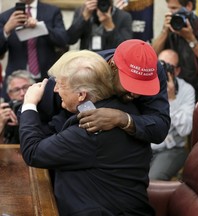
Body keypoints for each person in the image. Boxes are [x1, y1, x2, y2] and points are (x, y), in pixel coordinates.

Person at [19, 50, 155, 216]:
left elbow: (33, 152)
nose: (55, 90)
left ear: (81, 94)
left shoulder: (91, 129)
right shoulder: (123, 108)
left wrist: (29, 104)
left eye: (61, 84)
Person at [37, 39, 171, 145]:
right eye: (130, 85)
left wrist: (122, 119)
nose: (136, 94)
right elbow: (40, 109)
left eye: (142, 88)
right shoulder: (83, 69)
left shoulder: (150, 70)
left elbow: (160, 128)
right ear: (112, 66)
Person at [152, 0, 198, 101]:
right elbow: (152, 56)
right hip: (177, 90)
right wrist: (164, 31)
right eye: (169, 8)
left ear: (188, 6)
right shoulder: (172, 27)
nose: (171, 13)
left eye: (174, 8)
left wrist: (190, 39)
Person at [0, 0, 68, 100]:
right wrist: (6, 29)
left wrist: (41, 28)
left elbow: (63, 40)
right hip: (17, 82)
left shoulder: (52, 11)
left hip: (46, 76)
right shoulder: (5, 16)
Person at [149, 49, 195, 180]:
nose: (164, 70)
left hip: (172, 148)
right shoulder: (146, 84)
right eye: (161, 64)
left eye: (170, 67)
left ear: (177, 71)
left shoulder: (186, 90)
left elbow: (185, 129)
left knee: (153, 181)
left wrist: (172, 99)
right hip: (145, 147)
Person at [67, 0, 133, 51]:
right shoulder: (82, 12)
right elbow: (70, 40)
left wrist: (109, 27)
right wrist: (83, 18)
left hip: (110, 62)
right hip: (87, 60)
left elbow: (125, 48)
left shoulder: (124, 16)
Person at [0, 70, 35, 144]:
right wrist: (1, 124)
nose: (22, 93)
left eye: (25, 87)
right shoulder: (5, 113)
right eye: (16, 90)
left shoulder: (44, 110)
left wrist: (23, 123)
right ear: (10, 95)